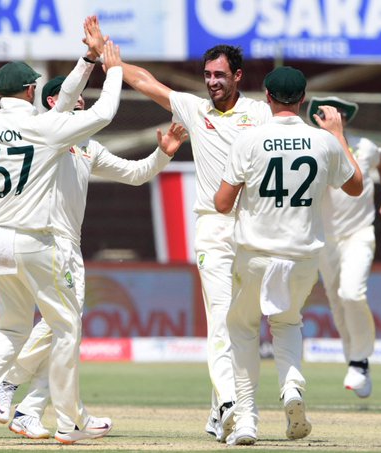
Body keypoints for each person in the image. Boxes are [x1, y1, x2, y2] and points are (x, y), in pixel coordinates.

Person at [0, 18, 123, 446]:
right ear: (31, 91)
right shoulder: (44, 128)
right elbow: (103, 112)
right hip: (35, 240)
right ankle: (70, 423)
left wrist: (87, 60)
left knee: (10, 329)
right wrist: (111, 68)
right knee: (65, 329)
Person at [0, 74, 188, 439]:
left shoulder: (87, 148)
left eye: (83, 98)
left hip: (69, 247)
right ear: (52, 103)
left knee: (66, 332)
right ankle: (11, 384)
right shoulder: (44, 135)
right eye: (73, 98)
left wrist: (164, 152)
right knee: (62, 327)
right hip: (45, 241)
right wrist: (98, 68)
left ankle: (29, 411)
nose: (80, 102)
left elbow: (135, 174)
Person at [121, 45, 272, 442]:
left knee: (245, 326)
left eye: (220, 75)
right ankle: (229, 404)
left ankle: (216, 413)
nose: (212, 82)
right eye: (207, 75)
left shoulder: (259, 113)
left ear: (238, 76)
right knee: (221, 317)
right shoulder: (194, 109)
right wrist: (107, 59)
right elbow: (145, 82)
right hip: (213, 227)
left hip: (254, 229)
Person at [214, 67, 363, 446]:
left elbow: (222, 203)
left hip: (255, 254)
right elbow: (356, 186)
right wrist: (337, 134)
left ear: (267, 96)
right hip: (301, 257)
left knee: (243, 329)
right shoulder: (323, 142)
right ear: (303, 98)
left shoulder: (250, 140)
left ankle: (247, 419)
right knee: (288, 323)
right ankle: (292, 388)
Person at [306, 96, 381, 398]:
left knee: (351, 293)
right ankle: (357, 362)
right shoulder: (311, 147)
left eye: (338, 112)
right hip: (325, 240)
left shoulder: (364, 146)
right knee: (337, 303)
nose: (333, 115)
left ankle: (359, 360)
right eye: (326, 111)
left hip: (359, 233)